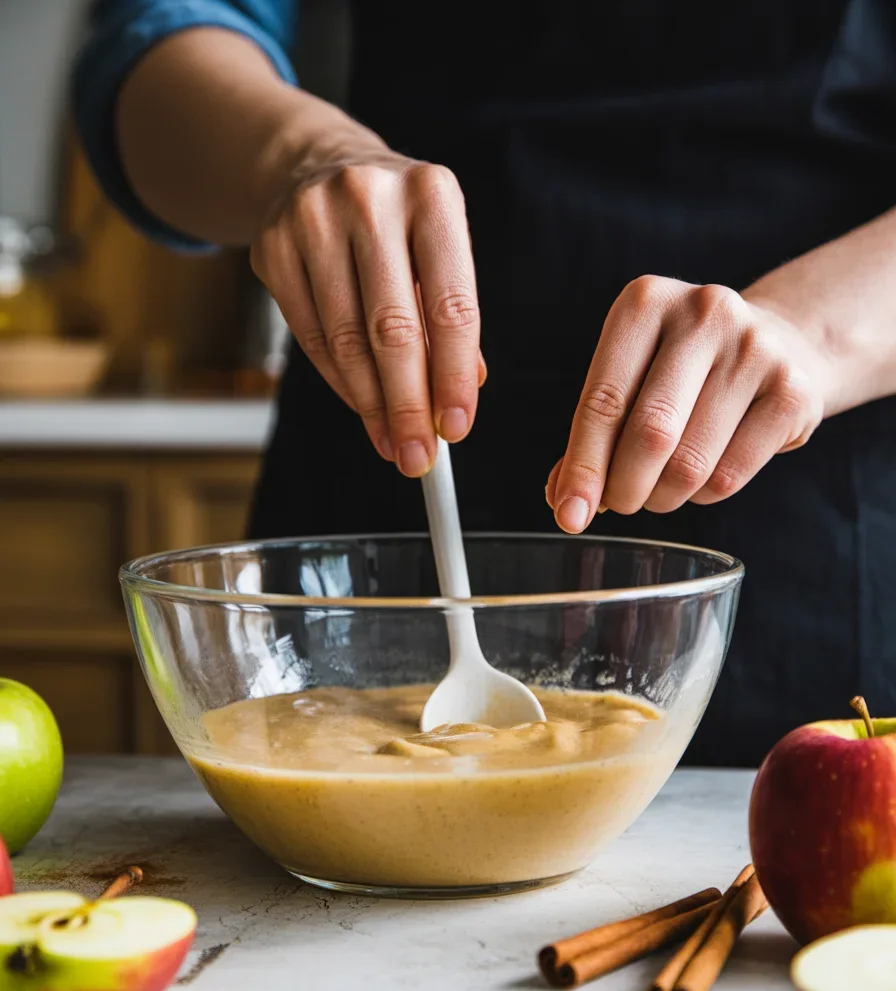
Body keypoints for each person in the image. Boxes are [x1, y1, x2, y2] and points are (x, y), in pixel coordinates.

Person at [73, 1, 896, 766]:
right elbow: (155, 38)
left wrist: (809, 333)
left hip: (812, 528)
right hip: (373, 483)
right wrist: (299, 158)